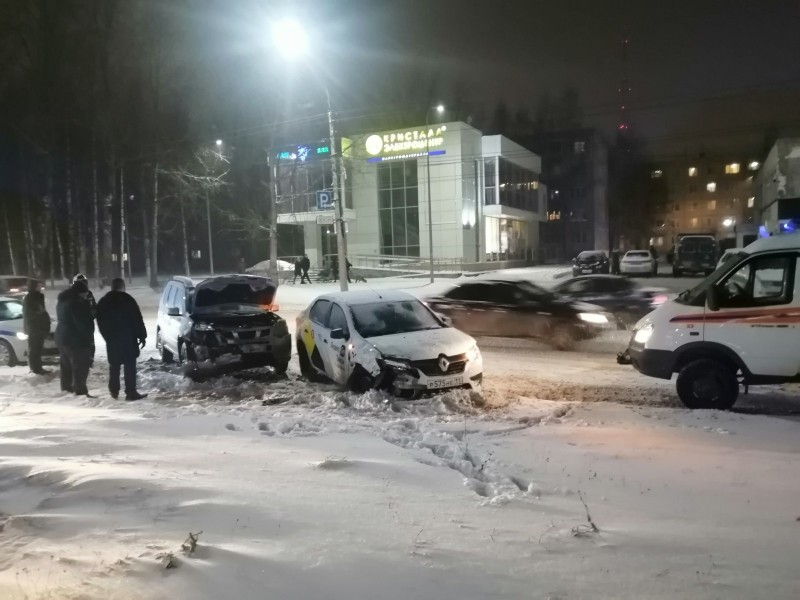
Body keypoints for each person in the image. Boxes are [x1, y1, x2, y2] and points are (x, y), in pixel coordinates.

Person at [97, 278, 147, 401]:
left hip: (112, 339)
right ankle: (130, 392)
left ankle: (114, 390)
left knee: (114, 365)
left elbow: (100, 321)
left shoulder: (104, 301)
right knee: (130, 365)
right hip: (128, 339)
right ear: (122, 286)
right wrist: (142, 336)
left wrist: (107, 336)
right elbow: (137, 319)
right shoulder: (128, 300)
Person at [55, 277, 95, 396]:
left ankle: (66, 388)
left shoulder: (62, 301)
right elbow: (82, 324)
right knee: (80, 365)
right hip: (75, 340)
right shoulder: (76, 304)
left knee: (66, 365)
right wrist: (88, 339)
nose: (85, 296)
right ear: (80, 292)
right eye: (84, 293)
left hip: (62, 337)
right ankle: (81, 391)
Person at [22, 280, 51, 375]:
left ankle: (38, 368)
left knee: (38, 348)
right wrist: (39, 314)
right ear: (34, 286)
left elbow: (42, 310)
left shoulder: (39, 296)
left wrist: (45, 320)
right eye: (38, 286)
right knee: (34, 349)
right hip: (33, 327)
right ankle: (35, 368)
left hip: (40, 326)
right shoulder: (29, 298)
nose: (40, 287)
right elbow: (29, 313)